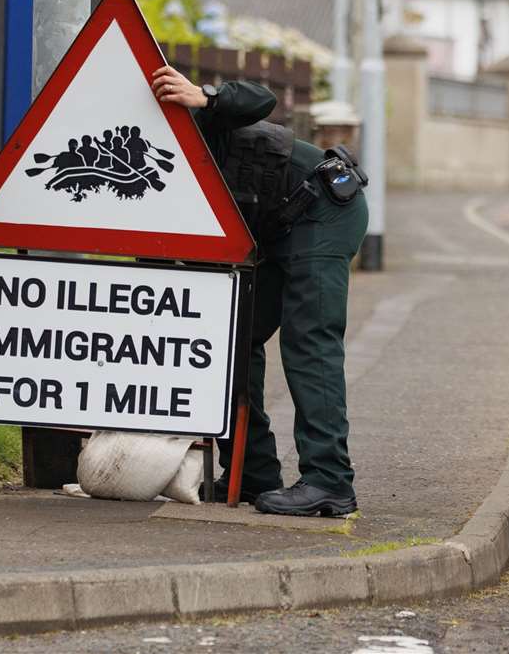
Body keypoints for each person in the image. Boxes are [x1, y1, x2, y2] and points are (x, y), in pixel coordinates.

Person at [152, 64, 367, 517]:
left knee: (309, 340)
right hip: (276, 231)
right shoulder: (149, 165)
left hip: (323, 210)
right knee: (230, 339)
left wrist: (205, 97)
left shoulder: (192, 118)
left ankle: (329, 482)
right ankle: (251, 475)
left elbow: (260, 99)